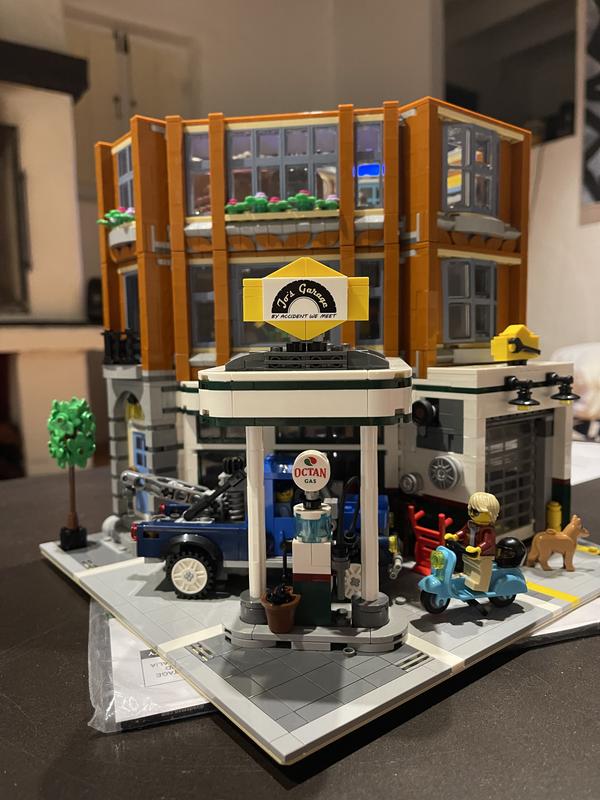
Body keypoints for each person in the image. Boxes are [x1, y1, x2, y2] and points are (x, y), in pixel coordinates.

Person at [445, 492, 500, 592]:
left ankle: (480, 586)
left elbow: (488, 542)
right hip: (468, 551)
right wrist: (455, 536)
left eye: (475, 511)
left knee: (480, 569)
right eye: (470, 509)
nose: (471, 513)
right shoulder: (470, 524)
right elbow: (463, 532)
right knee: (468, 566)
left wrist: (478, 549)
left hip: (483, 555)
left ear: (489, 513)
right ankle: (468, 581)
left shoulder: (488, 530)